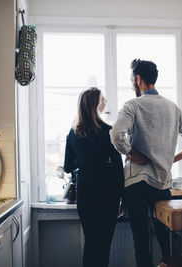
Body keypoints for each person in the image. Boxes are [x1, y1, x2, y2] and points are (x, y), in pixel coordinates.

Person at [110, 59, 182, 267]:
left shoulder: (132, 105)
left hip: (136, 183)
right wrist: (171, 159)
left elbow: (117, 134)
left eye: (132, 80)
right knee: (166, 240)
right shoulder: (173, 108)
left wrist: (131, 153)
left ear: (138, 79)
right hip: (162, 183)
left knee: (141, 240)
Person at [64, 87, 124, 267]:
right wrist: (122, 197)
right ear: (96, 104)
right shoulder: (109, 131)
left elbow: (68, 166)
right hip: (108, 194)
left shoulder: (73, 133)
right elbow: (118, 167)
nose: (105, 102)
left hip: (86, 193)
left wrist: (84, 160)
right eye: (103, 99)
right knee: (104, 245)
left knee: (90, 243)